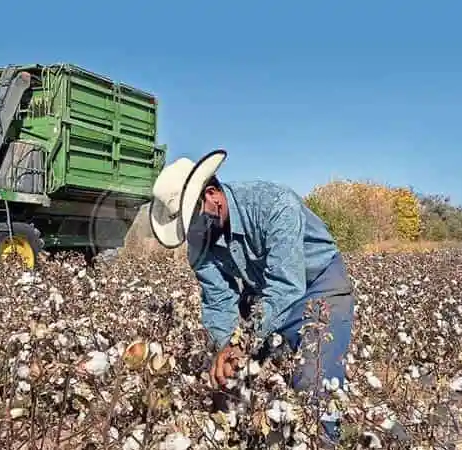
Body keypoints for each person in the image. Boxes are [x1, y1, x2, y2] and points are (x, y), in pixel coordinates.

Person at [149, 149, 356, 445]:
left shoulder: (273, 204)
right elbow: (219, 301)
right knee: (230, 379)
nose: (193, 232)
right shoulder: (200, 240)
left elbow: (287, 285)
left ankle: (329, 439)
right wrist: (226, 348)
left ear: (212, 195)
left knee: (313, 385)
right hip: (264, 292)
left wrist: (240, 343)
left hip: (319, 286)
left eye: (193, 220)